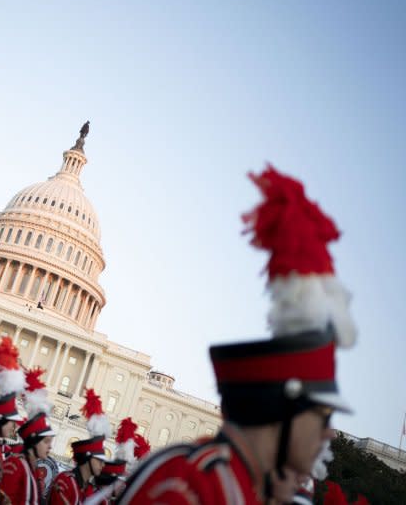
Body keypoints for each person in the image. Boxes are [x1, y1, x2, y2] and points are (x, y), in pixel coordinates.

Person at [117, 165, 357, 504]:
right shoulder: (189, 484)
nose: (329, 432)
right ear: (286, 409)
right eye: (322, 415)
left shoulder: (236, 485)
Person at [2, 412, 56, 504]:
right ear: (34, 442)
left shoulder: (33, 469)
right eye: (46, 441)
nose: (50, 447)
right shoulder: (15, 464)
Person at [48, 436, 107, 504]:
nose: (103, 465)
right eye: (100, 460)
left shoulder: (90, 489)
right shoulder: (65, 481)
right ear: (88, 457)